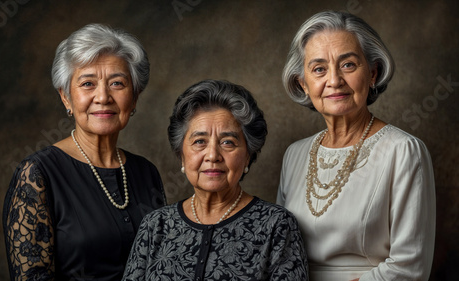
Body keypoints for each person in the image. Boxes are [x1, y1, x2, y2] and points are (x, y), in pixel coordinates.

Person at [277, 10, 435, 281]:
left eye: (348, 65)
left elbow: (410, 267)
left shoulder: (404, 151)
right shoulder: (294, 155)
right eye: (319, 69)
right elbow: (281, 249)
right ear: (303, 84)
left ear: (372, 73)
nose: (334, 80)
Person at [2, 23, 166, 281]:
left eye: (117, 83)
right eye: (88, 83)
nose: (103, 97)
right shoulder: (37, 175)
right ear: (66, 97)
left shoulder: (146, 173)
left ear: (134, 98)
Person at [122, 79, 309, 280]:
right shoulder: (155, 225)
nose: (213, 155)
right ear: (181, 154)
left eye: (228, 142)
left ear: (248, 154)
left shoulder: (276, 225)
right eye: (199, 141)